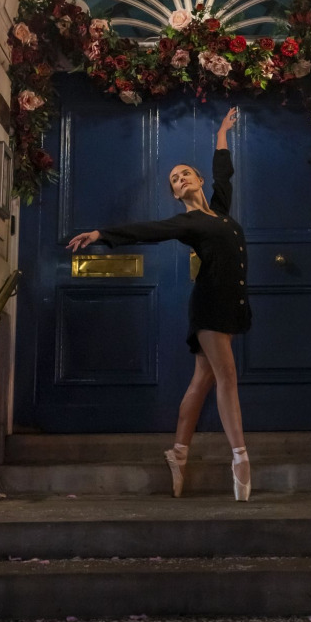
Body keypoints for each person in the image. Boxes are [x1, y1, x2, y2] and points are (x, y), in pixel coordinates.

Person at [67, 107, 252, 501]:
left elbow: (224, 174)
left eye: (185, 173)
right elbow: (145, 231)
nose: (180, 179)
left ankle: (179, 453)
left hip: (231, 303)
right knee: (227, 378)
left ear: (198, 180)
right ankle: (240, 458)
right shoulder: (185, 223)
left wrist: (221, 133)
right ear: (174, 192)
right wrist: (101, 233)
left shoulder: (219, 211)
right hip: (209, 307)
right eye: (173, 179)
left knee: (202, 380)